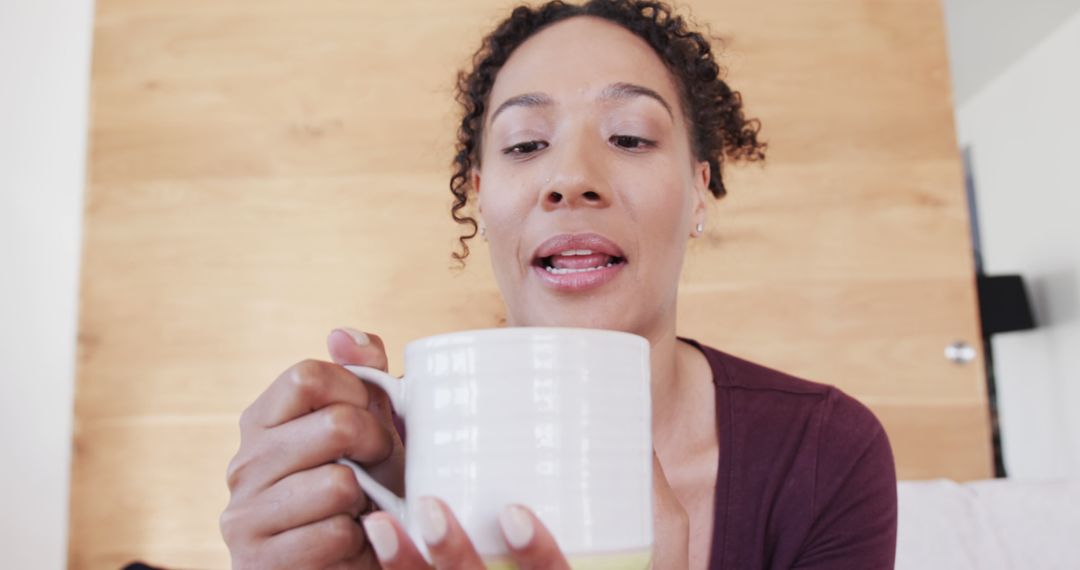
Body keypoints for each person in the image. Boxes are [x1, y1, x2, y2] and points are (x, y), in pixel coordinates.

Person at [219, 1, 898, 568]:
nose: (571, 177)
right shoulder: (366, 471)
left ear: (699, 193)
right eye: (523, 145)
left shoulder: (826, 454)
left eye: (630, 137)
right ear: (480, 202)